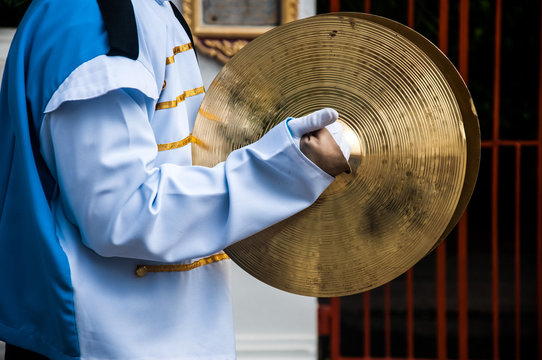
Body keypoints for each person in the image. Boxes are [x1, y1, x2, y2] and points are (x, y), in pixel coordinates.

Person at [0, 0, 350, 359]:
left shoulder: (145, 9)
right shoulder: (95, 20)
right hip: (107, 343)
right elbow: (124, 213)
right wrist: (289, 169)